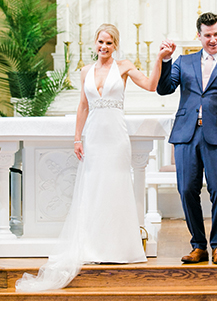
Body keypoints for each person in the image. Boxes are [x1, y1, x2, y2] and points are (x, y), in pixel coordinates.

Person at [16, 24, 170, 291]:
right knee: (94, 189)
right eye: (100, 42)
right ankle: (92, 246)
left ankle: (120, 248)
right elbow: (83, 106)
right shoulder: (85, 71)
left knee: (116, 188)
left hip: (116, 138)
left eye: (109, 43)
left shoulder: (123, 67)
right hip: (95, 139)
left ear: (116, 45)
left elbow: (151, 85)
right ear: (95, 43)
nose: (104, 47)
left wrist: (159, 59)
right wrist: (77, 137)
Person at [156, 12, 217, 266]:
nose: (212, 39)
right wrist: (166, 61)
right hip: (187, 134)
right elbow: (164, 88)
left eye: (216, 34)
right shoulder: (183, 62)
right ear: (198, 36)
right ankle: (198, 245)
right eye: (207, 35)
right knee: (187, 189)